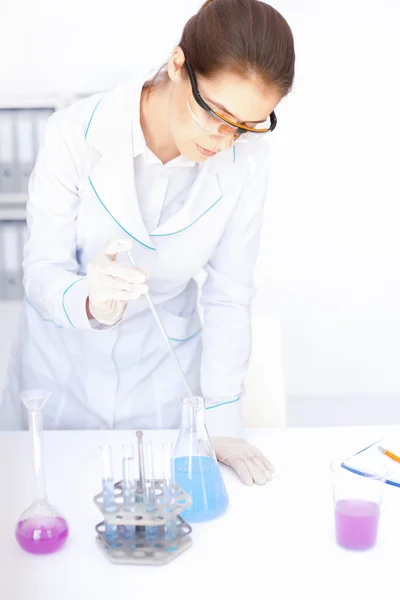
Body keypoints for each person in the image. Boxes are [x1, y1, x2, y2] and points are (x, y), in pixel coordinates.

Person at [0, 0, 295, 485]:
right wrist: (90, 301)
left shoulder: (248, 164)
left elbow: (228, 295)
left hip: (160, 384)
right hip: (60, 380)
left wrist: (221, 423)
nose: (224, 141)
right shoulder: (74, 134)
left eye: (246, 126)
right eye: (218, 114)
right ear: (179, 65)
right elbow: (41, 272)